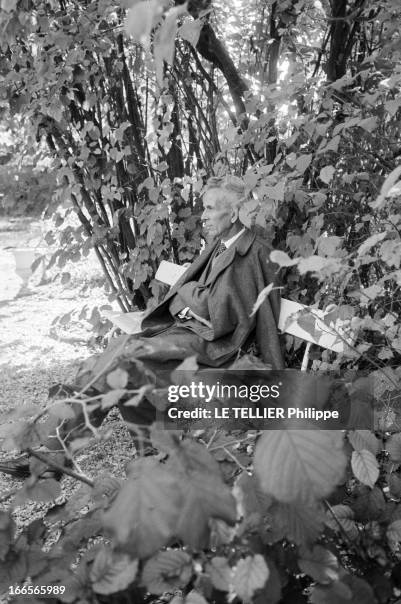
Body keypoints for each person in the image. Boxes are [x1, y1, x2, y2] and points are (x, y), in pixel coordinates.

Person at [0, 175, 285, 477]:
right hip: (187, 331)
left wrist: (276, 382)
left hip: (215, 348)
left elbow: (223, 311)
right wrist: (190, 299)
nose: (202, 216)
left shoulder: (255, 252)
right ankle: (141, 455)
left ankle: (57, 457)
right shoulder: (219, 244)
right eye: (203, 208)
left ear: (235, 211)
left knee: (126, 361)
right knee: (113, 352)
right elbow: (184, 294)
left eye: (210, 208)